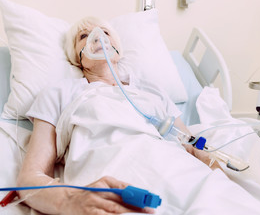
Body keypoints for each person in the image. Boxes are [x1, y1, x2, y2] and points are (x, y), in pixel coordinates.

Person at [16, 17, 223, 215]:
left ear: (118, 47)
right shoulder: (60, 93)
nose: (97, 37)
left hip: (183, 175)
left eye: (105, 32)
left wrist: (215, 170)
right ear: (76, 56)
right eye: (84, 36)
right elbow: (29, 179)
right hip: (117, 187)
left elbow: (190, 143)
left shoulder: (152, 91)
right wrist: (70, 200)